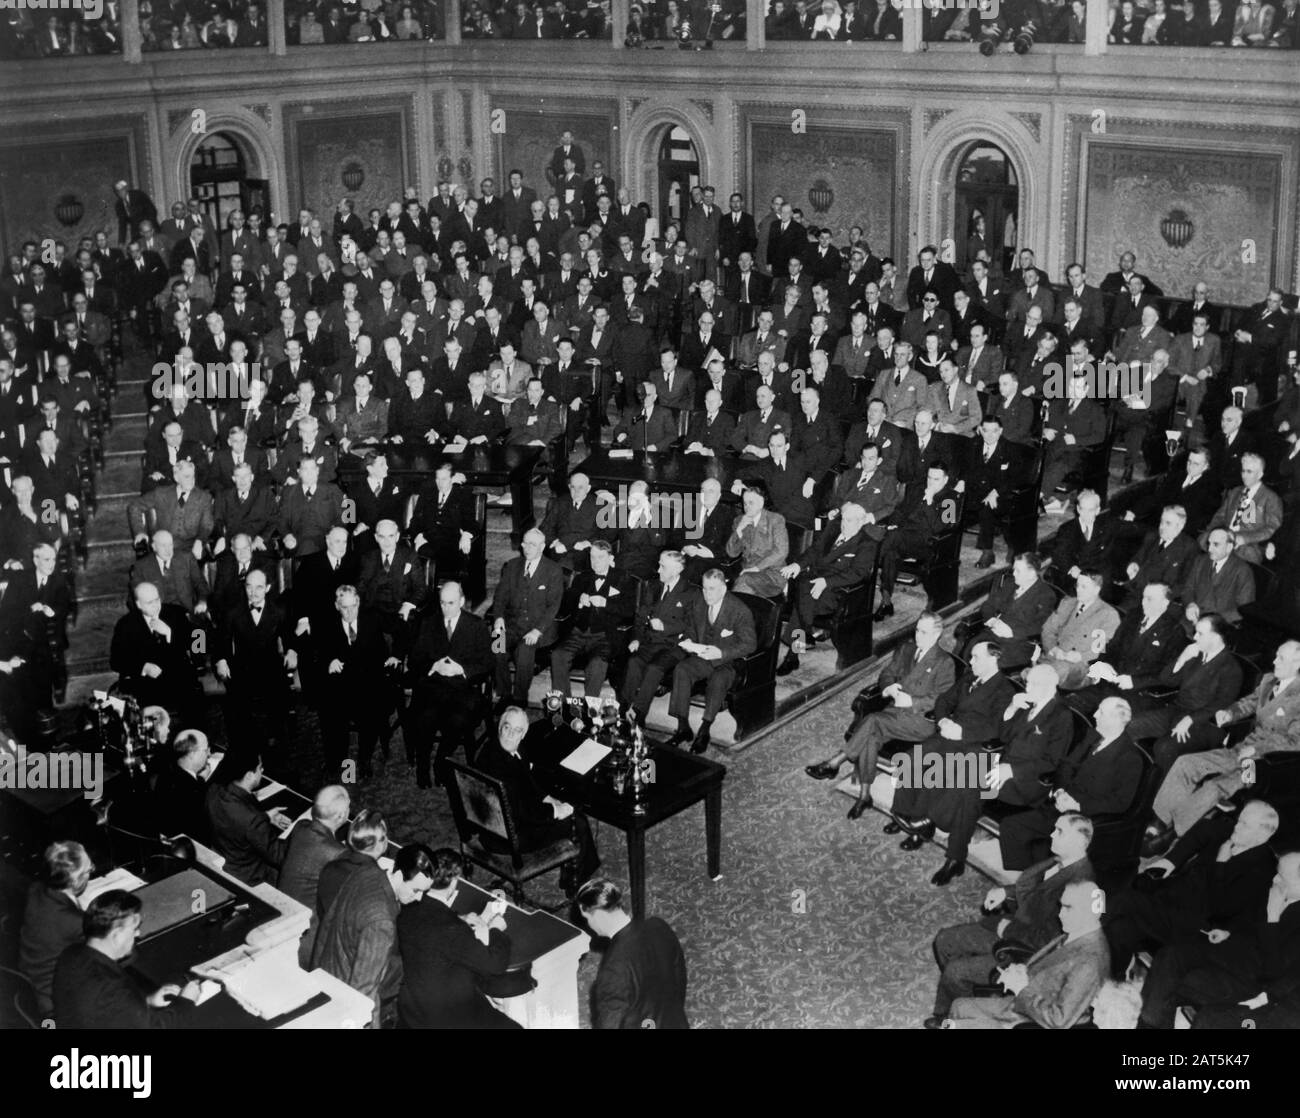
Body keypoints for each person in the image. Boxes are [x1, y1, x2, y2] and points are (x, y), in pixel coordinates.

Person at [927, 812, 1096, 1028]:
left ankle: (962, 1018)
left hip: (1031, 952)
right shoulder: (1060, 859)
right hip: (1018, 926)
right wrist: (1006, 893)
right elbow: (1036, 891)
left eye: (1059, 832)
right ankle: (951, 1011)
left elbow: (1051, 940)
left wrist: (1005, 929)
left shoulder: (1079, 886)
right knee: (945, 940)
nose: (1052, 834)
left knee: (955, 972)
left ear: (1079, 842)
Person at [1145, 640, 1300, 847]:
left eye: (1281, 657)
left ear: (1297, 662)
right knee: (1186, 763)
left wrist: (1259, 748)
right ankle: (1161, 821)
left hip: (1261, 766)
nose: (1274, 661)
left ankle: (1176, 833)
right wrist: (1230, 713)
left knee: (1216, 786)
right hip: (1241, 749)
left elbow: (1295, 741)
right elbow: (1250, 703)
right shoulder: (1268, 680)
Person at [1105, 801, 1279, 979]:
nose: (1237, 827)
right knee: (1120, 930)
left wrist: (1220, 865)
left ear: (1260, 836)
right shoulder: (1232, 833)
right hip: (1168, 902)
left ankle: (1080, 931)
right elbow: (1203, 830)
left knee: (1124, 900)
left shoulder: (1262, 870)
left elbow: (1221, 910)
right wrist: (1171, 861)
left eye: (1245, 825)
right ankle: (1112, 978)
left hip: (1192, 924)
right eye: (1240, 820)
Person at [806, 614, 955, 816]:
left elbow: (943, 699)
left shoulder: (944, 662)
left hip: (921, 720)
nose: (918, 636)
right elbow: (886, 674)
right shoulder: (906, 649)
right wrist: (890, 686)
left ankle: (835, 762)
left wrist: (913, 701)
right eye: (917, 630)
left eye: (924, 632)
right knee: (871, 736)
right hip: (894, 713)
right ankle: (865, 796)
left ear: (937, 634)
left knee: (873, 721)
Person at [1140, 851, 1300, 1028]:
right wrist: (1228, 931)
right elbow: (1246, 918)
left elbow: (1274, 972)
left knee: (1170, 983)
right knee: (1169, 956)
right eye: (1277, 872)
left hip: (1246, 979)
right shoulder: (1276, 890)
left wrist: (1272, 918)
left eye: (1283, 877)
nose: (1275, 879)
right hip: (1227, 954)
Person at [939, 880, 1110, 1030]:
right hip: (1033, 994)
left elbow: (1059, 1020)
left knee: (956, 1019)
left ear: (1089, 912)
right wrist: (1024, 969)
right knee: (958, 1006)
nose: (1060, 913)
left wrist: (1021, 988)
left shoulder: (1089, 963)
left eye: (1068, 908)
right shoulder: (1079, 930)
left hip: (1032, 1017)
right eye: (1062, 906)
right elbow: (1051, 962)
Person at [998, 697, 1144, 870]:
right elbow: (1066, 765)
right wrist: (1059, 790)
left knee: (1038, 838)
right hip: (1061, 802)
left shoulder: (1130, 758)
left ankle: (1029, 885)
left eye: (1101, 713)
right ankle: (1025, 882)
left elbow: (1120, 803)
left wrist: (1079, 806)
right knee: (1011, 827)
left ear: (1117, 720)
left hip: (1084, 817)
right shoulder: (1092, 736)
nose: (1095, 715)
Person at [315, 814, 431, 1028]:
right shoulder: (382, 923)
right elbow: (364, 991)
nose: (418, 898)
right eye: (415, 890)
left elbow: (328, 924)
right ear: (397, 874)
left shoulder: (366, 871)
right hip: (348, 991)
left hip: (329, 968)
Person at [395, 846, 520, 1030]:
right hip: (446, 1018)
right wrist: (496, 930)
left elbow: (432, 926)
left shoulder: (407, 908)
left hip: (414, 1012)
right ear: (454, 882)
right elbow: (494, 965)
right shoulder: (452, 930)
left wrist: (459, 918)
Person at [475, 707, 599, 891]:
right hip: (507, 837)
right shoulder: (499, 767)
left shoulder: (501, 749)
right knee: (577, 821)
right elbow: (524, 811)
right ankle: (577, 884)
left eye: (517, 731)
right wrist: (557, 810)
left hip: (503, 822)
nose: (510, 735)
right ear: (500, 727)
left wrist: (549, 798)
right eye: (506, 728)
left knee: (562, 802)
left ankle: (575, 869)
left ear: (523, 734)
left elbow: (528, 783)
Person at [52, 890, 200, 1029]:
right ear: (116, 935)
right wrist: (186, 1001)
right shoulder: (112, 988)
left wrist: (146, 1002)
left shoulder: (71, 954)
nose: (138, 933)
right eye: (134, 929)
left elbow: (103, 1011)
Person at [406, 580, 494, 786]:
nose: (446, 608)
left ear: (462, 601)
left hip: (461, 688)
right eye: (442, 603)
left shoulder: (476, 625)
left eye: (451, 603)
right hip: (433, 686)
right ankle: (422, 765)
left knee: (458, 721)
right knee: (424, 719)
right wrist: (433, 665)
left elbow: (489, 662)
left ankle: (441, 761)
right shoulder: (429, 623)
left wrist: (462, 669)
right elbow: (415, 659)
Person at [577, 878, 689, 1029]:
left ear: (598, 914)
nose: (588, 925)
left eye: (587, 919)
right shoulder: (658, 926)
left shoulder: (613, 971)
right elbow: (679, 980)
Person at [667, 568, 758, 752]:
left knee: (718, 679)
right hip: (704, 656)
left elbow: (750, 645)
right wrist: (688, 640)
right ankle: (683, 726)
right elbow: (692, 628)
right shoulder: (699, 602)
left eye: (712, 589)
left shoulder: (739, 609)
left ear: (723, 589)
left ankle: (705, 729)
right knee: (682, 669)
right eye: (705, 588)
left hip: (729, 661)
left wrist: (722, 653)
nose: (707, 593)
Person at [549, 539, 635, 698]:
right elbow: (566, 603)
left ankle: (590, 708)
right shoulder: (582, 577)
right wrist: (579, 600)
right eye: (592, 557)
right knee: (558, 656)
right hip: (578, 632)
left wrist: (605, 603)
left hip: (604, 636)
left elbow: (629, 611)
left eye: (600, 557)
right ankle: (565, 706)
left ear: (610, 558)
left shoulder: (623, 578)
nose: (595, 561)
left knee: (597, 664)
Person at [490, 528, 563, 707]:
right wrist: (498, 618)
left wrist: (537, 630)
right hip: (512, 625)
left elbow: (554, 606)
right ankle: (505, 694)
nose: (527, 547)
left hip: (538, 629)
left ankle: (520, 699)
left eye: (532, 544)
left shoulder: (553, 570)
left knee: (524, 650)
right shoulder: (512, 566)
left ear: (542, 546)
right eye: (524, 543)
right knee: (496, 645)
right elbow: (500, 597)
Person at [20, 841, 93, 1018]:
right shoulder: (74, 922)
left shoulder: (35, 890)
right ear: (77, 879)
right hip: (54, 1006)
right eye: (88, 871)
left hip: (31, 988)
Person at [204, 750, 292, 886]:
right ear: (250, 775)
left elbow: (235, 822)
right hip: (251, 877)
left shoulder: (214, 792)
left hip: (225, 863)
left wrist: (266, 817)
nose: (262, 770)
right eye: (260, 767)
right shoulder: (253, 820)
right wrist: (299, 832)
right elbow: (279, 856)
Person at [151, 728, 213, 842]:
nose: (209, 754)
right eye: (206, 750)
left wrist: (200, 779)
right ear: (192, 754)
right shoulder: (193, 794)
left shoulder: (167, 774)